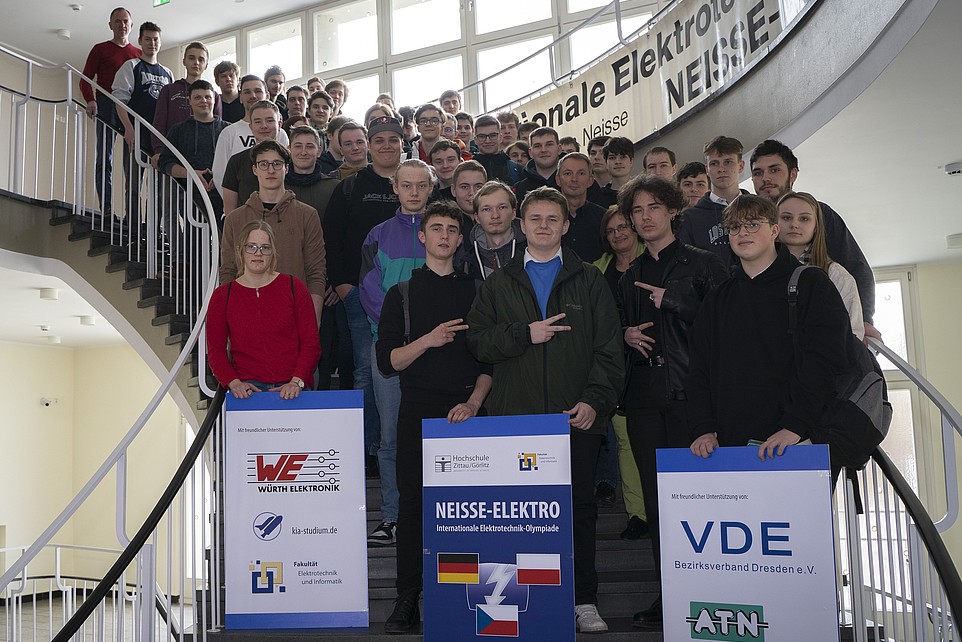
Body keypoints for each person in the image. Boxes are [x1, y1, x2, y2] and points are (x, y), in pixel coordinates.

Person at [466, 186, 624, 634]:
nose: (543, 226)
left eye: (552, 219)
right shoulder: (499, 282)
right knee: (516, 515)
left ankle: (583, 600)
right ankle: (518, 603)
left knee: (578, 511)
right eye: (535, 218)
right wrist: (524, 334)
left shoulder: (590, 279)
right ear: (521, 224)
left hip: (575, 418)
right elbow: (477, 342)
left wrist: (595, 400)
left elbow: (609, 349)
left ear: (566, 226)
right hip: (515, 423)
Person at [616, 176, 727, 629]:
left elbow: (727, 327)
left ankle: (714, 594)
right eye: (637, 210)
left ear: (673, 210)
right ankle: (671, 595)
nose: (645, 217)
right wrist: (625, 335)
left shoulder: (705, 263)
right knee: (659, 504)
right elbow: (614, 333)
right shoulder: (629, 274)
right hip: (644, 401)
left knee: (701, 504)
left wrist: (675, 301)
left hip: (692, 401)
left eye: (654, 207)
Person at [378, 201, 493, 634]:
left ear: (460, 239)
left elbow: (491, 361)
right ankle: (408, 598)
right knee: (413, 508)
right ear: (422, 237)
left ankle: (467, 597)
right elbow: (388, 361)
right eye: (437, 229)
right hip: (418, 413)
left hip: (467, 412)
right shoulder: (401, 294)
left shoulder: (478, 290)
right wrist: (428, 339)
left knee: (469, 511)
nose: (444, 236)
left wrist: (475, 404)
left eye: (451, 230)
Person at [687, 194, 854, 461]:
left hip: (798, 441)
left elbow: (826, 361)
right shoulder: (718, 298)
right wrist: (703, 428)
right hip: (730, 446)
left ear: (775, 231)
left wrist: (795, 426)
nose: (743, 233)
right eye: (734, 227)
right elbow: (699, 368)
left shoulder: (812, 284)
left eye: (753, 224)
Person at [323, 115, 404, 500]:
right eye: (379, 140)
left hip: (409, 295)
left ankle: (398, 444)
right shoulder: (351, 187)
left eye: (393, 139)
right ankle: (368, 448)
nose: (386, 145)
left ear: (402, 144)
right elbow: (332, 238)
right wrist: (343, 286)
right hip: (360, 296)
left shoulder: (413, 182)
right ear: (368, 146)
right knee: (365, 372)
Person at [360, 159, 436, 547]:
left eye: (421, 185)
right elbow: (368, 291)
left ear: (431, 188)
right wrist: (401, 335)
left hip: (437, 351)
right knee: (390, 439)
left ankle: (434, 515)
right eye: (407, 185)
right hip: (389, 350)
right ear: (395, 189)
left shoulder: (442, 230)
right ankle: (392, 516)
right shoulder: (377, 235)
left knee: (435, 436)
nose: (414, 192)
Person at [750, 138, 877, 336]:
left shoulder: (821, 214)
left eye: (774, 170)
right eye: (758, 173)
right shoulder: (749, 223)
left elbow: (857, 268)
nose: (766, 178)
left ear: (792, 174)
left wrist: (864, 320)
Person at [207, 220, 320, 399]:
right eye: (251, 246)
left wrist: (296, 381)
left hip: (294, 389)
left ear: (273, 252)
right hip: (248, 394)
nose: (258, 253)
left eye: (265, 248)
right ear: (240, 250)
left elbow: (310, 342)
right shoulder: (223, 296)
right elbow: (215, 351)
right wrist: (233, 383)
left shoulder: (294, 287)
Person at [219, 140, 325, 328]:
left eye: (277, 164)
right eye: (264, 164)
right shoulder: (235, 219)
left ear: (286, 168)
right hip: (246, 319)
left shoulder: (307, 215)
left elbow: (316, 273)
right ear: (254, 170)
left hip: (293, 318)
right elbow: (228, 271)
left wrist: (313, 323)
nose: (270, 170)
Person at [591, 205, 646, 542]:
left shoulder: (653, 260)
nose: (618, 234)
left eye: (623, 227)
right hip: (613, 367)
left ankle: (662, 510)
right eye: (611, 231)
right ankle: (638, 514)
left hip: (652, 366)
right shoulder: (598, 270)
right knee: (624, 442)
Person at [777, 192, 864, 339]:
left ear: (816, 226)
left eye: (804, 219)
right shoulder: (759, 271)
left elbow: (853, 334)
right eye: (786, 218)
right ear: (774, 225)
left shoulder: (837, 276)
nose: (794, 224)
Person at [80, 6, 141, 214]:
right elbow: (85, 79)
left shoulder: (138, 54)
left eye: (125, 21)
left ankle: (131, 212)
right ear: (110, 25)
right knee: (104, 158)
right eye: (117, 21)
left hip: (131, 109)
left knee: (132, 162)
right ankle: (106, 208)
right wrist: (91, 100)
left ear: (131, 25)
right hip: (106, 105)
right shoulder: (100, 49)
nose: (122, 25)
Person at [111, 21, 172, 216]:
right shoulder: (131, 66)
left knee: (158, 188)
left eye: (155, 39)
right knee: (134, 185)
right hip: (136, 137)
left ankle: (153, 228)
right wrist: (128, 129)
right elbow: (120, 101)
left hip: (159, 141)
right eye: (148, 39)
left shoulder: (168, 74)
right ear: (139, 41)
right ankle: (133, 226)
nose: (152, 43)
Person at [157, 80, 227, 228]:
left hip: (224, 198)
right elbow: (164, 163)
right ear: (189, 101)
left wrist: (219, 175)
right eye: (198, 97)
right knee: (193, 242)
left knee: (224, 241)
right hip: (190, 198)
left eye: (207, 97)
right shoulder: (178, 130)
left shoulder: (228, 131)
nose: (204, 101)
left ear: (214, 99)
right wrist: (191, 174)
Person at [676, 135, 749, 270]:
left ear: (741, 166)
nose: (721, 169)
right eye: (714, 163)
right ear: (707, 170)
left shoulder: (759, 210)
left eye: (728, 162)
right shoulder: (688, 219)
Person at [212, 75, 290, 195]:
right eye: (247, 92)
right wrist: (233, 201)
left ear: (267, 96)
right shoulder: (228, 133)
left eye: (257, 91)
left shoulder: (280, 133)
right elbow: (220, 174)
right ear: (240, 97)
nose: (252, 96)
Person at [151, 41, 222, 155]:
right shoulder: (169, 90)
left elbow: (218, 127)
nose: (196, 62)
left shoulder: (213, 96)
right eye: (191, 58)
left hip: (205, 154)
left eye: (201, 59)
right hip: (173, 153)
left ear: (206, 65)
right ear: (184, 61)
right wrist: (159, 150)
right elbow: (159, 122)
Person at [221, 100, 284, 212]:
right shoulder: (236, 161)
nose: (264, 126)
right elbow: (230, 212)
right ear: (251, 127)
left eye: (269, 120)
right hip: (246, 222)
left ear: (279, 124)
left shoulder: (289, 159)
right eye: (258, 122)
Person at [457, 180, 525, 281]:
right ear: (477, 217)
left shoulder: (530, 252)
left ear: (514, 213)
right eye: (487, 209)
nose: (495, 215)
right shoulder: (468, 263)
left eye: (502, 207)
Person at [556, 152, 606, 262]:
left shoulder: (604, 218)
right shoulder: (548, 218)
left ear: (590, 180)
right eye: (568, 173)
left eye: (581, 173)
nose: (574, 179)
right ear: (558, 180)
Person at [513, 126, 561, 209]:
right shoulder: (520, 189)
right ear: (530, 152)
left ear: (559, 149)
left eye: (549, 144)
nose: (543, 150)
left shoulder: (572, 182)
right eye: (537, 146)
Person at [471, 115, 522, 185]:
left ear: (500, 137)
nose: (488, 141)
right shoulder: (466, 169)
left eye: (493, 135)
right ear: (475, 140)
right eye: (482, 136)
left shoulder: (516, 170)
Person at [599, 136, 634, 207]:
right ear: (606, 163)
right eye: (612, 158)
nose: (618, 162)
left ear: (631, 161)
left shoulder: (642, 191)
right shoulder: (598, 196)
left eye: (623, 157)